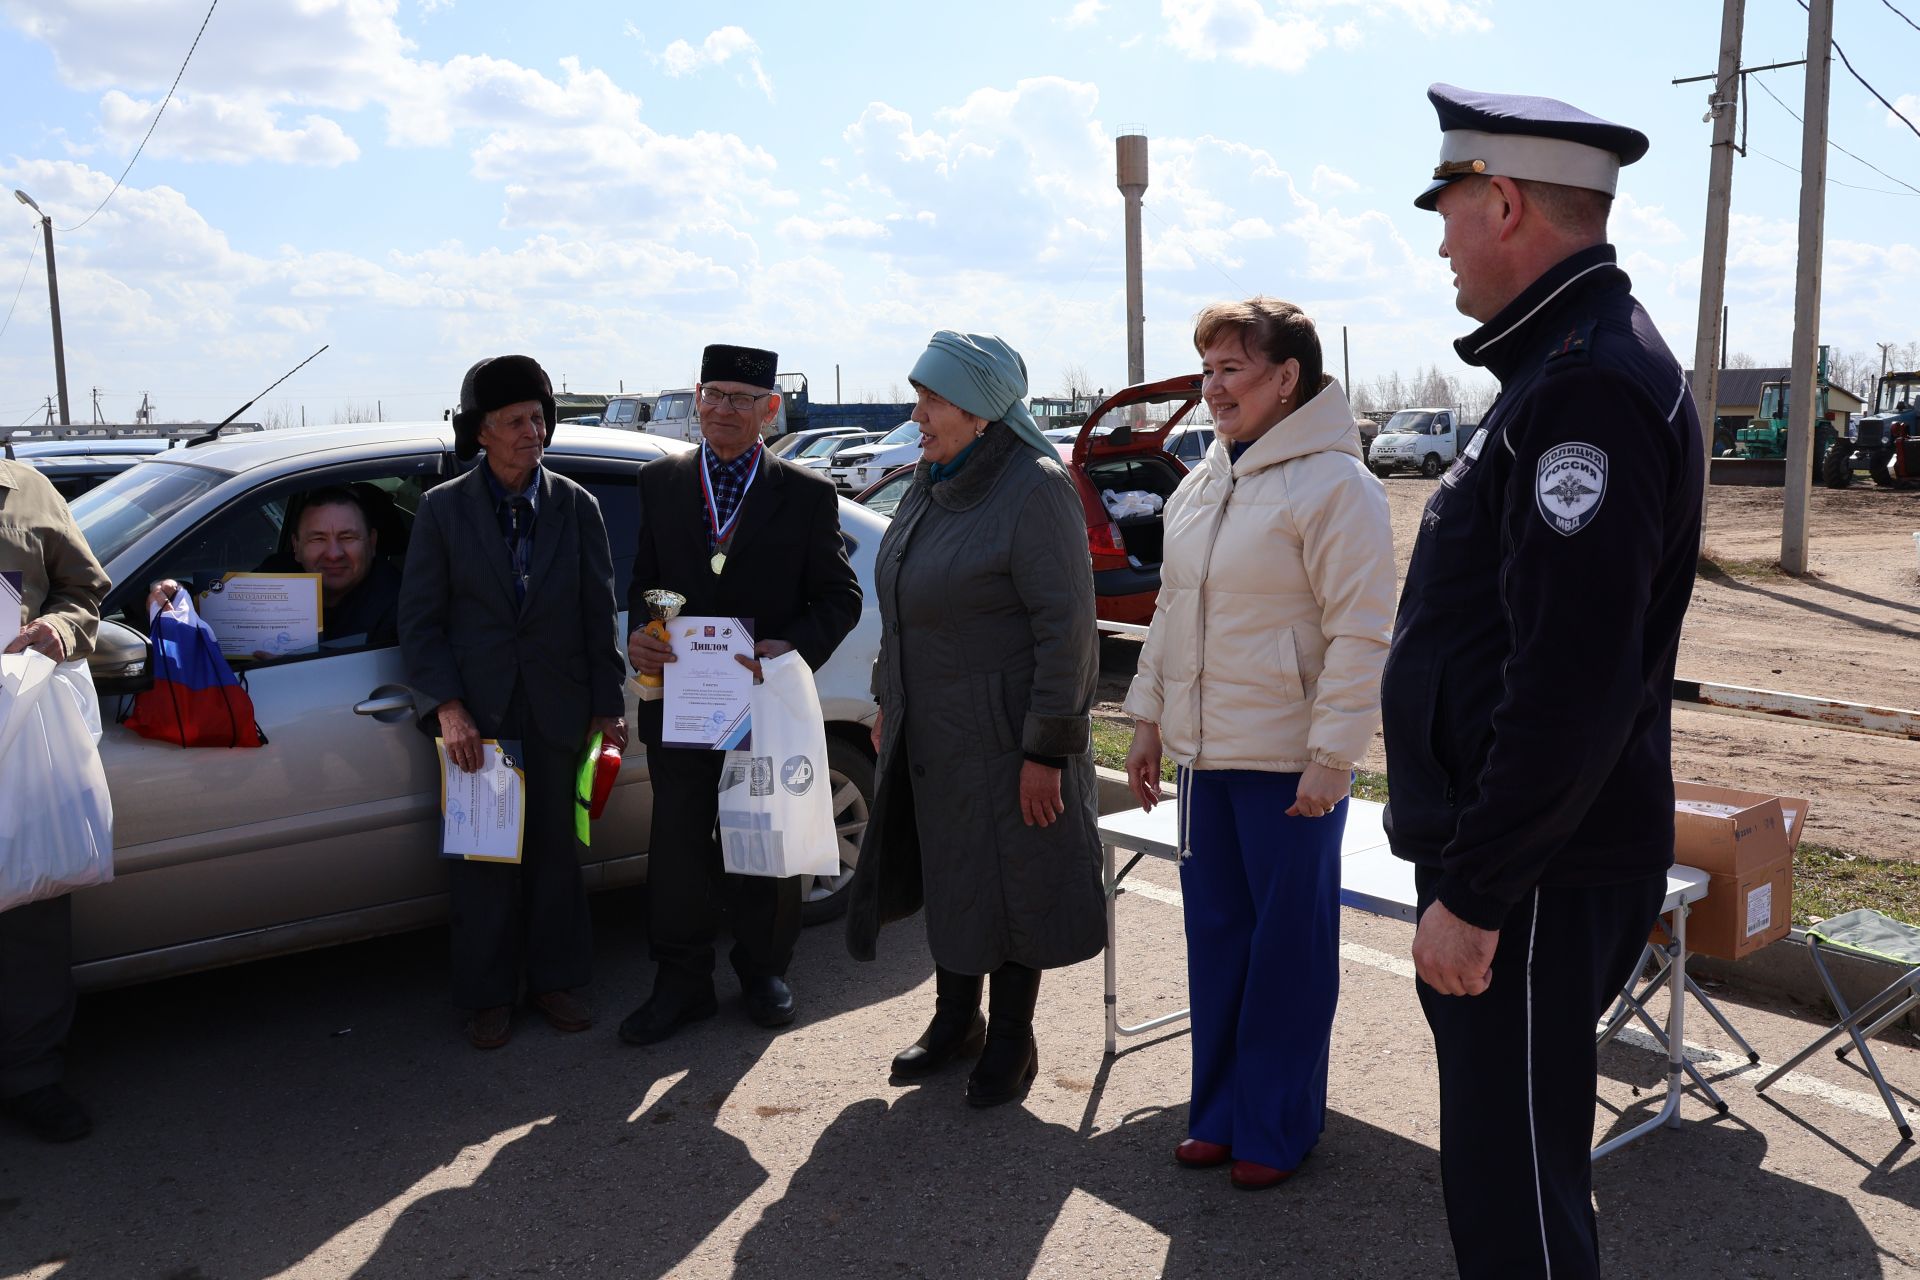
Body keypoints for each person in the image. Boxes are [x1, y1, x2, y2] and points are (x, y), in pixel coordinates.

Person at [1382, 86, 1704, 1278]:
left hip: (1529, 876)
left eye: (1453, 208)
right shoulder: (1561, 367)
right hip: (1527, 862)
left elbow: (1570, 681)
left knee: (1515, 1198)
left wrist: (1476, 889)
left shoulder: (1584, 387)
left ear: (1505, 201)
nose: (1443, 239)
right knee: (1509, 1175)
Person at [1121, 300, 1394, 1188]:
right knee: (1219, 941)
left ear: (1288, 378)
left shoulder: (1337, 485)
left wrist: (1333, 754)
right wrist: (1149, 718)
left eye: (1232, 370)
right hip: (1206, 758)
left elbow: (1361, 632)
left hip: (1287, 764)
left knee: (1288, 952)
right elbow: (1171, 610)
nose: (1213, 389)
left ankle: (1277, 1127)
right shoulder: (1204, 480)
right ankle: (1220, 1114)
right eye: (1207, 371)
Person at [845, 331, 1104, 1109]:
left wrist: (1046, 752)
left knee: (1012, 883)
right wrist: (891, 700)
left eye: (932, 399)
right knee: (954, 874)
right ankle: (954, 1020)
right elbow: (899, 606)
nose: (916, 413)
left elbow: (1069, 632)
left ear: (981, 410)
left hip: (1006, 738)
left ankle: (1012, 1039)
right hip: (934, 732)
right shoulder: (932, 476)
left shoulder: (1034, 487)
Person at [622, 344, 861, 1045]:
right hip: (682, 699)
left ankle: (764, 970)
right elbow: (643, 582)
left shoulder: (807, 494)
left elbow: (839, 597)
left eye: (740, 398)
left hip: (760, 701)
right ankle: (680, 982)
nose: (723, 409)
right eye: (713, 394)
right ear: (696, 399)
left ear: (769, 408)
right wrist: (644, 631)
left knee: (762, 840)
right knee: (678, 848)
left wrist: (794, 647)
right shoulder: (660, 483)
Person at [399, 354, 628, 1050]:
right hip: (482, 723)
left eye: (538, 418)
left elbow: (598, 614)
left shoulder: (576, 507)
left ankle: (558, 983)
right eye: (514, 421)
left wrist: (607, 705)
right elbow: (420, 622)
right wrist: (447, 707)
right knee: (484, 864)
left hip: (559, 711)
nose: (532, 432)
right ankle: (488, 996)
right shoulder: (442, 512)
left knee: (558, 858)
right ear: (481, 433)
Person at [0, 456, 110, 1142]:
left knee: (29, 917)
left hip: (17, 731)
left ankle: (30, 1078)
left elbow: (84, 591)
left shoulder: (27, 489)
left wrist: (59, 631)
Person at [146, 485, 400, 650]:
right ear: (296, 547)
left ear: (373, 542)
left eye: (347, 537)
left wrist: (296, 669)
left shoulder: (401, 603)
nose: (333, 553)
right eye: (318, 539)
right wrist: (173, 593)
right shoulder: (278, 572)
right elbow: (220, 604)